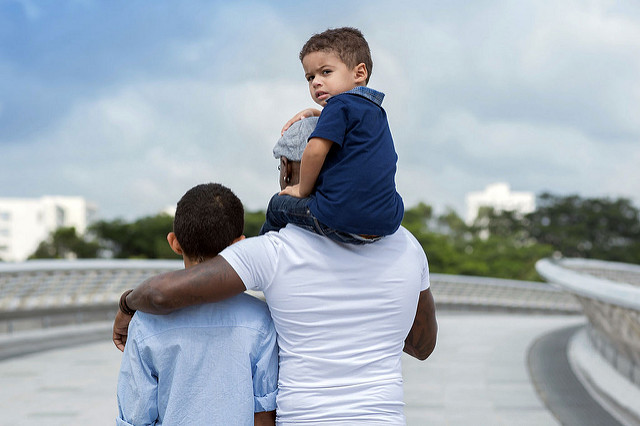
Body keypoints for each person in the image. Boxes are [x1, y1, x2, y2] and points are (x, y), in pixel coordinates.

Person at [113, 126, 438, 425]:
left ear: (286, 169)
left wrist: (128, 306)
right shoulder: (407, 246)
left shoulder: (275, 251)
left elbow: (161, 294)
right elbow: (422, 345)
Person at [116, 183, 278, 426]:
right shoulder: (261, 319)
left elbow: (135, 418)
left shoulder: (144, 322)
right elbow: (264, 414)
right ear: (240, 244)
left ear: (174, 242)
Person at [259, 27, 404, 244]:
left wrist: (302, 189)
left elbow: (315, 151)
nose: (316, 82)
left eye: (325, 72)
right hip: (386, 223)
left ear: (359, 73)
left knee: (276, 206)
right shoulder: (376, 111)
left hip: (339, 219)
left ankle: (258, 256)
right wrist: (317, 112)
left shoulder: (339, 105)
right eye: (310, 77)